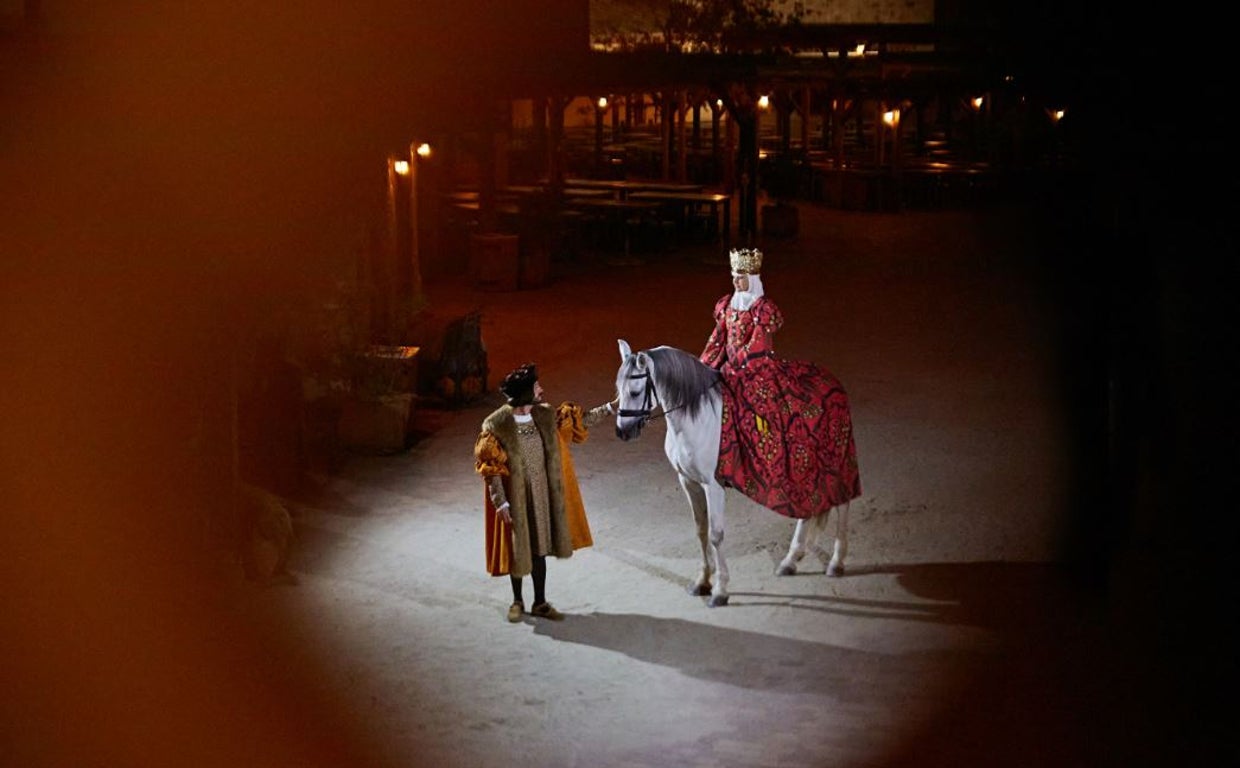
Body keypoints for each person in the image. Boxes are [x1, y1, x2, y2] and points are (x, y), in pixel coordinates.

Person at [700, 247, 862, 518]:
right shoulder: (726, 305)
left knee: (761, 413)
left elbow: (759, 346)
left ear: (752, 277)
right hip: (729, 369)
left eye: (741, 277)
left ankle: (763, 463)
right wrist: (704, 365)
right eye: (734, 276)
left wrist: (734, 365)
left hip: (756, 370)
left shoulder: (762, 309)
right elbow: (717, 339)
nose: (736, 281)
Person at [473, 362, 615, 623]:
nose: (542, 390)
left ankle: (539, 602)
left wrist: (610, 408)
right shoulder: (497, 424)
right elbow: (490, 468)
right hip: (515, 497)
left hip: (541, 495)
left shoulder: (545, 416)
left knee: (539, 547)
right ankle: (517, 601)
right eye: (537, 387)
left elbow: (578, 421)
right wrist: (501, 503)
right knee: (519, 548)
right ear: (526, 392)